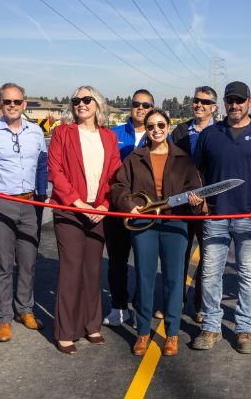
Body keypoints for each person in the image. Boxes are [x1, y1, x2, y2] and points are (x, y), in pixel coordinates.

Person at [191, 81, 251, 354]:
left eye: (239, 100)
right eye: (230, 100)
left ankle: (244, 329)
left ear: (249, 102)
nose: (234, 105)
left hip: (249, 217)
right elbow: (197, 172)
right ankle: (210, 327)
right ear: (223, 103)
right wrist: (203, 202)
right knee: (209, 274)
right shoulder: (211, 134)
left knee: (248, 274)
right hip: (216, 217)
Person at [111, 108, 203, 357]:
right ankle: (142, 332)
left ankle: (171, 333)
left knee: (174, 280)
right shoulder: (135, 157)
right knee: (145, 277)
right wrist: (130, 206)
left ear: (168, 126)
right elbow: (119, 186)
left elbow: (195, 189)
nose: (156, 130)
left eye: (161, 125)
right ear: (147, 129)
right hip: (145, 226)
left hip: (175, 226)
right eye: (151, 126)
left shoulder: (184, 159)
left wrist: (195, 202)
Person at [0, 82, 48, 342]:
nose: (12, 105)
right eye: (7, 102)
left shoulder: (36, 132)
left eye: (17, 101)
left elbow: (42, 166)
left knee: (27, 261)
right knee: (2, 264)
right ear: (0, 104)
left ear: (25, 104)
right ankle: (3, 318)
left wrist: (41, 195)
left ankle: (24, 309)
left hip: (30, 205)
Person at [48, 86, 121, 355]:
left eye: (86, 99)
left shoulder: (109, 137)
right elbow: (55, 172)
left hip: (99, 211)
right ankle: (66, 332)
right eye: (76, 100)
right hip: (69, 210)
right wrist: (78, 203)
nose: (81, 104)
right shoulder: (62, 133)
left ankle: (92, 326)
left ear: (97, 105)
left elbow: (115, 175)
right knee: (71, 269)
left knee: (92, 270)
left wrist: (103, 204)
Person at [103, 89, 154, 327]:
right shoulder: (112, 134)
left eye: (146, 105)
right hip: (118, 208)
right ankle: (118, 307)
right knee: (117, 261)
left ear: (152, 108)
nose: (141, 108)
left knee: (144, 264)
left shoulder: (159, 133)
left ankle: (141, 308)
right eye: (136, 104)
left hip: (146, 210)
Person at [171, 85, 218, 323]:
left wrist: (209, 199)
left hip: (208, 206)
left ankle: (201, 306)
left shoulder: (220, 132)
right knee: (179, 255)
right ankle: (175, 302)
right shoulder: (179, 131)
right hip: (181, 204)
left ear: (214, 107)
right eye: (196, 100)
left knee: (207, 260)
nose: (199, 105)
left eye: (205, 102)